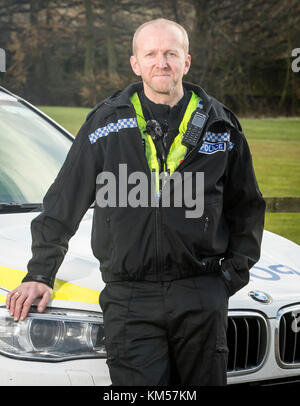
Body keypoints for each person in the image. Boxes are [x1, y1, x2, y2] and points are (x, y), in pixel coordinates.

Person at [6, 18, 266, 386]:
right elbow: (63, 202)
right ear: (136, 64)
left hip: (200, 293)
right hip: (130, 298)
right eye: (152, 54)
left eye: (171, 54)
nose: (162, 63)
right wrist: (40, 273)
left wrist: (229, 277)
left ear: (186, 62)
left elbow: (248, 207)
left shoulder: (220, 125)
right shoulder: (105, 124)